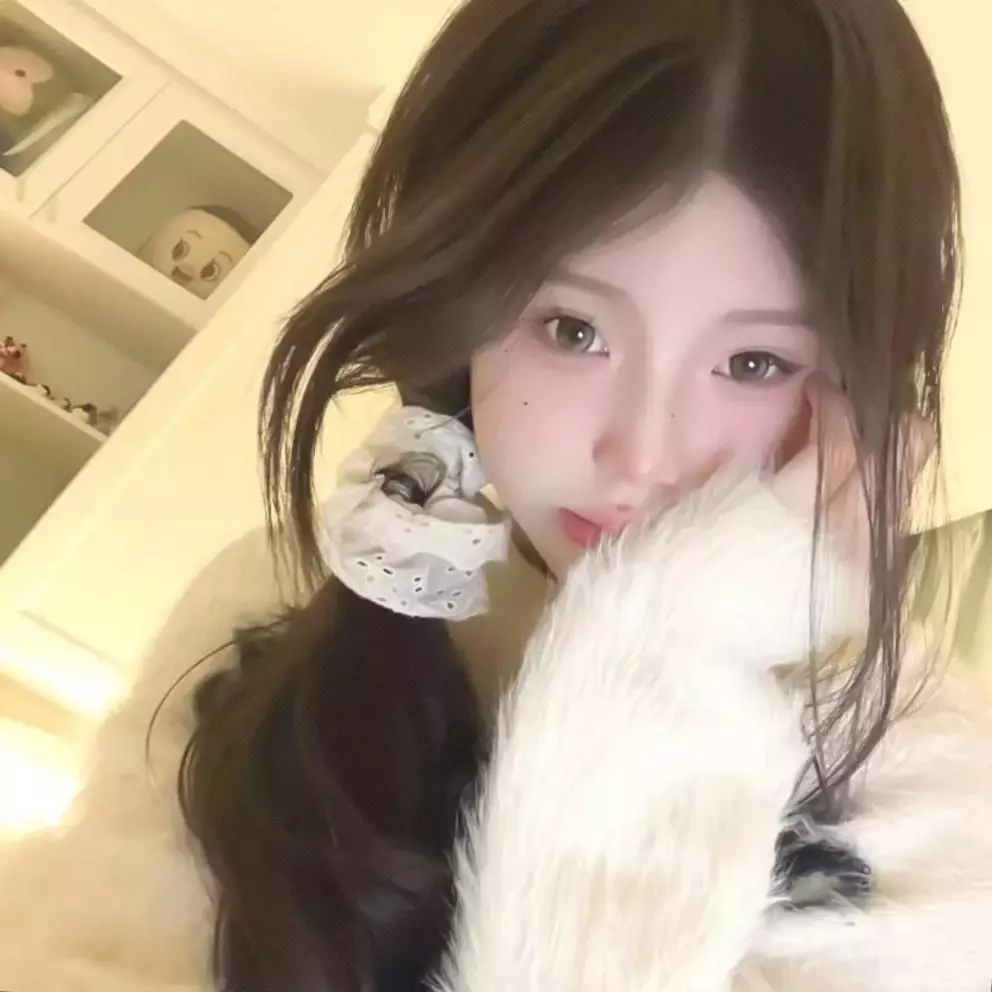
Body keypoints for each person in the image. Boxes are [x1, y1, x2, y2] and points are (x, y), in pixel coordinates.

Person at [1, 0, 991, 990]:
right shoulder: (272, 594)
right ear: (458, 304)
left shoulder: (913, 774)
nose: (641, 453)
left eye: (752, 361)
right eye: (571, 329)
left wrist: (676, 659)